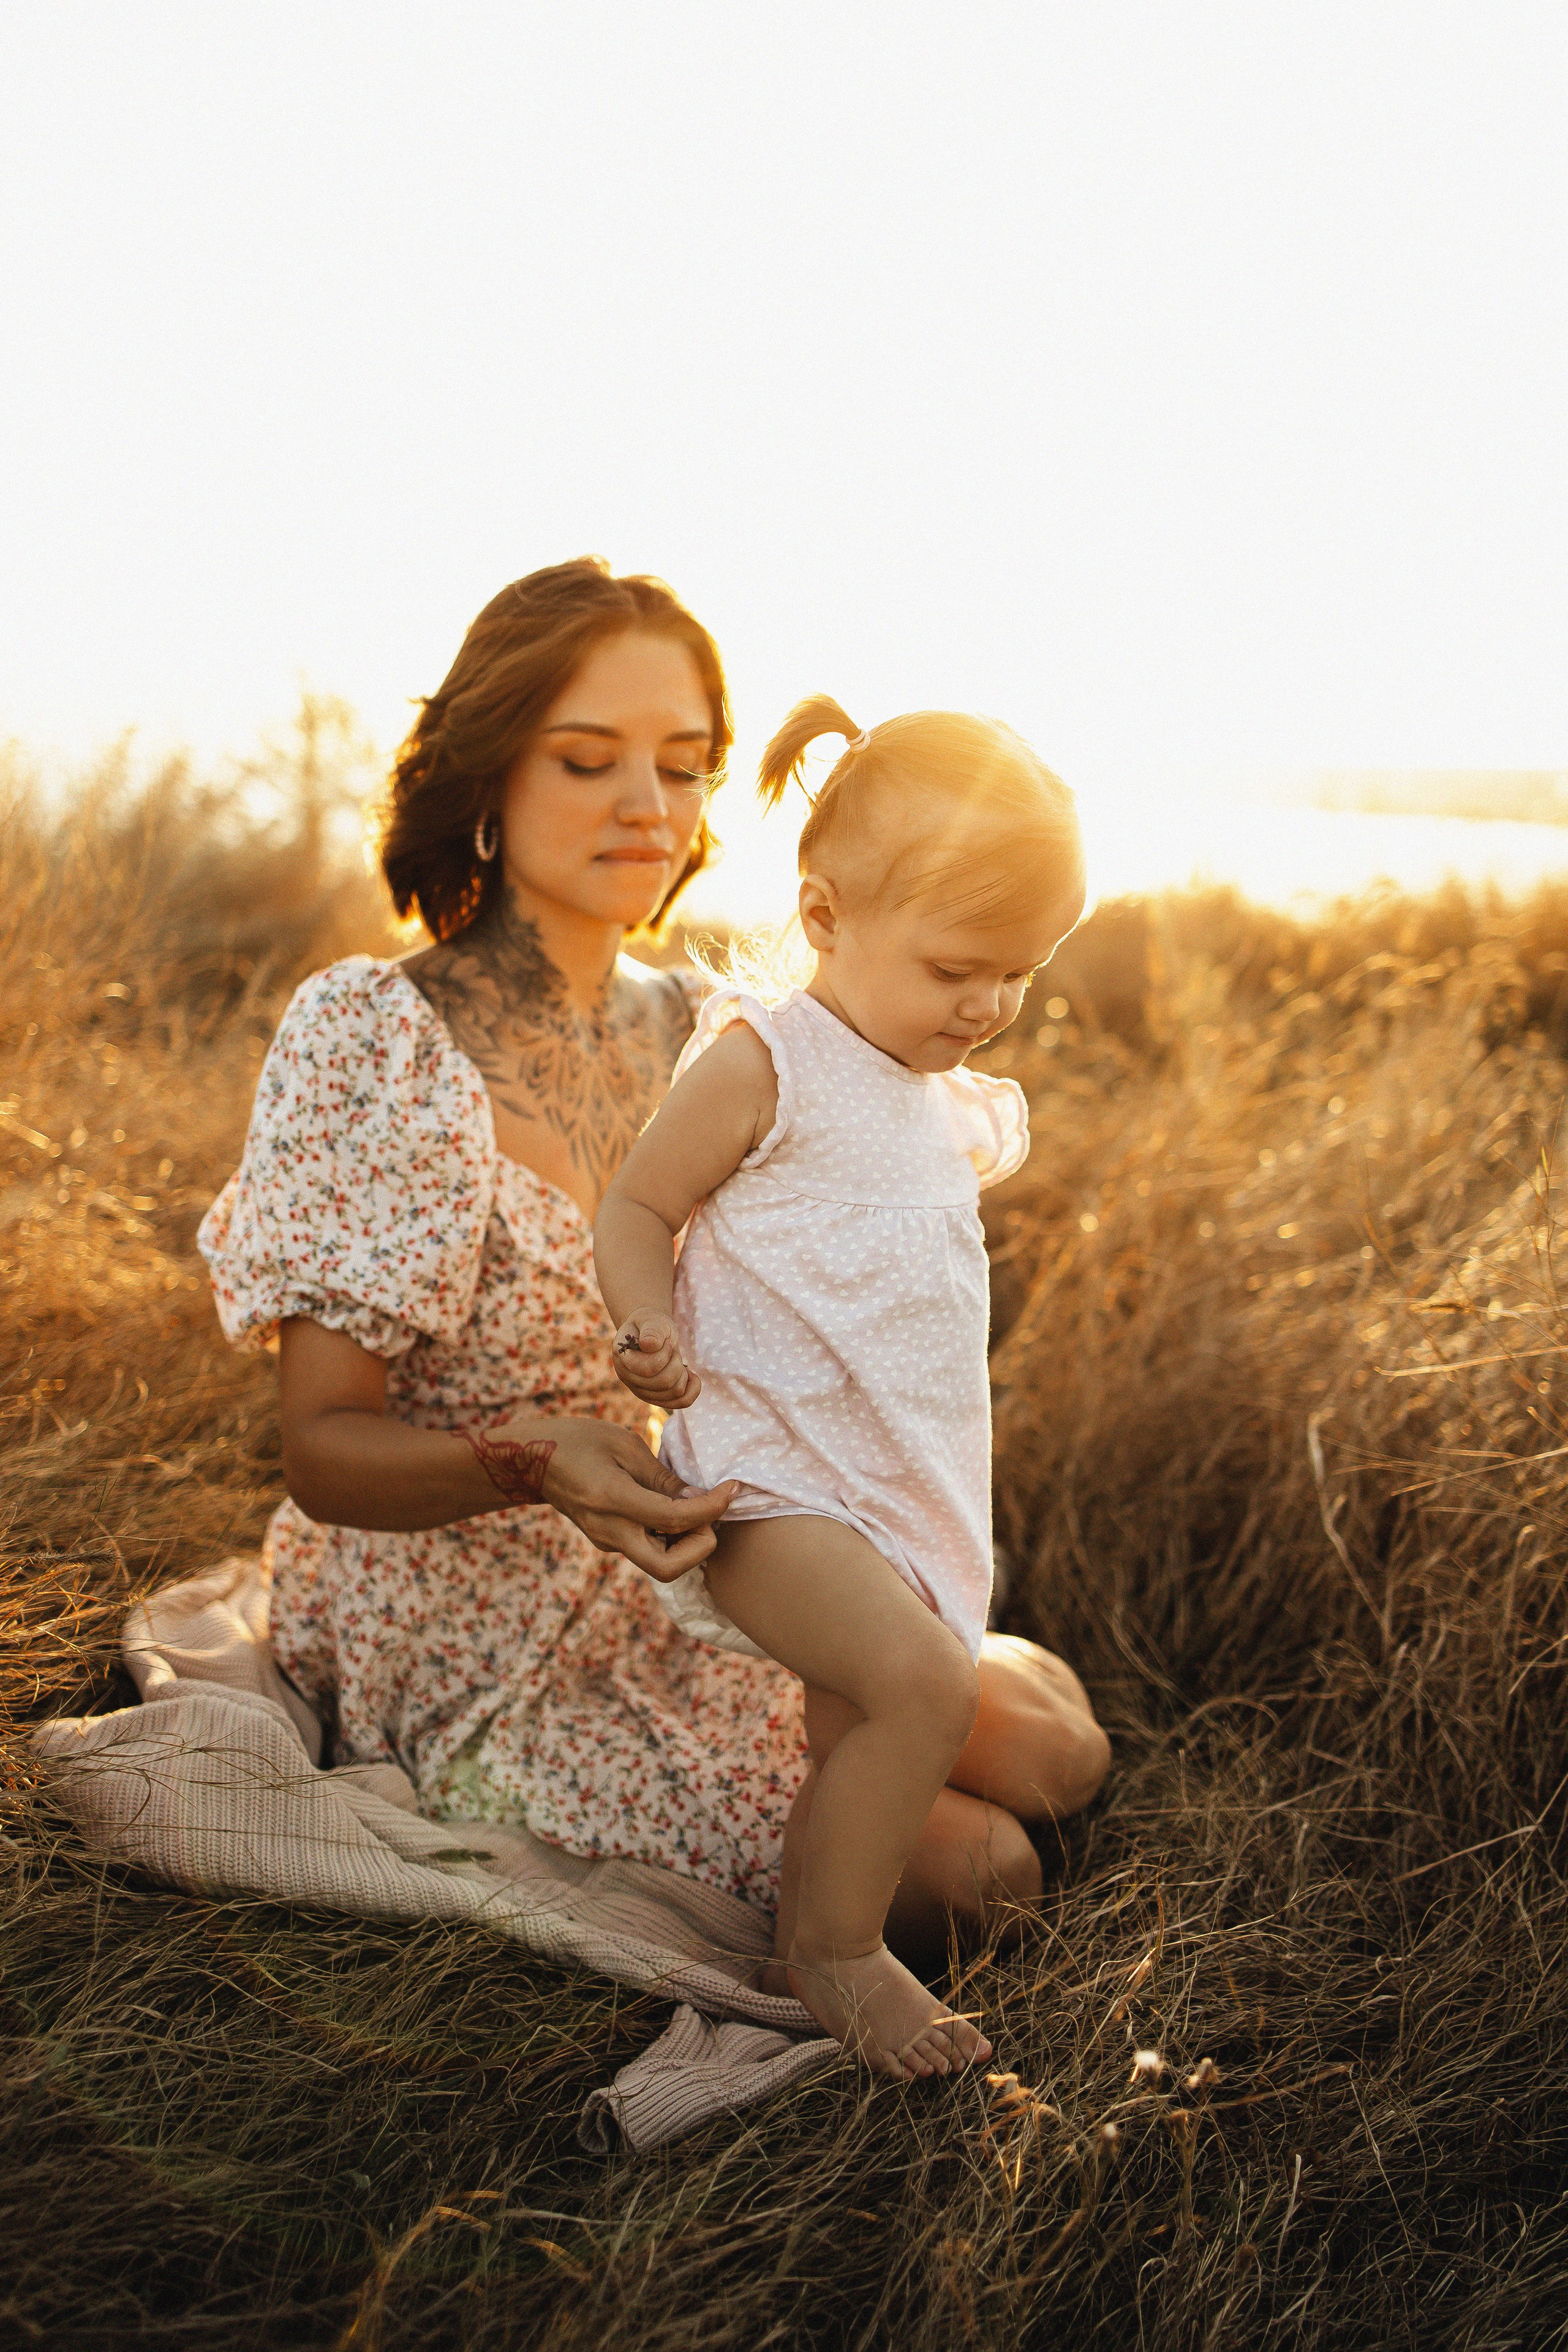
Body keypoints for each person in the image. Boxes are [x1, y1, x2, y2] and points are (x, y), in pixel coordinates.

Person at [197, 558, 1108, 1964]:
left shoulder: (714, 1022)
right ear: (488, 774)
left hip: (711, 1536)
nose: (647, 806)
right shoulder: (368, 1032)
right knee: (978, 1874)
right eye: (587, 759)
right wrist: (540, 1458)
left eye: (682, 767)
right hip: (471, 1604)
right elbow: (321, 1451)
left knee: (1054, 1747)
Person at [594, 696, 1093, 2078]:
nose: (986, 1007)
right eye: (953, 969)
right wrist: (644, 1325)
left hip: (902, 1491)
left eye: (1016, 975)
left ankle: (789, 1938)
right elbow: (635, 1206)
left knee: (854, 1736)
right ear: (822, 915)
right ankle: (836, 1958)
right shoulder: (767, 1062)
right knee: (920, 1692)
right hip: (770, 1486)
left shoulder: (937, 1098)